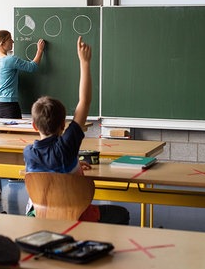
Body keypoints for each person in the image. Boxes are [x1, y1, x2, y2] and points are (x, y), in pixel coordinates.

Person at [23, 36, 130, 225]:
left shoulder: (29, 152)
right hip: (76, 215)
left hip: (39, 215)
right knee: (121, 213)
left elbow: (50, 172)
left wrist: (75, 168)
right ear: (63, 125)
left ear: (33, 125)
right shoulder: (67, 146)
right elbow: (85, 102)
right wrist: (84, 62)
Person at [0, 30, 45, 119]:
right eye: (10, 39)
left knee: (1, 133)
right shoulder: (10, 60)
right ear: (3, 43)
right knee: (16, 132)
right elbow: (32, 67)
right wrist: (40, 51)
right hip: (7, 105)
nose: (13, 41)